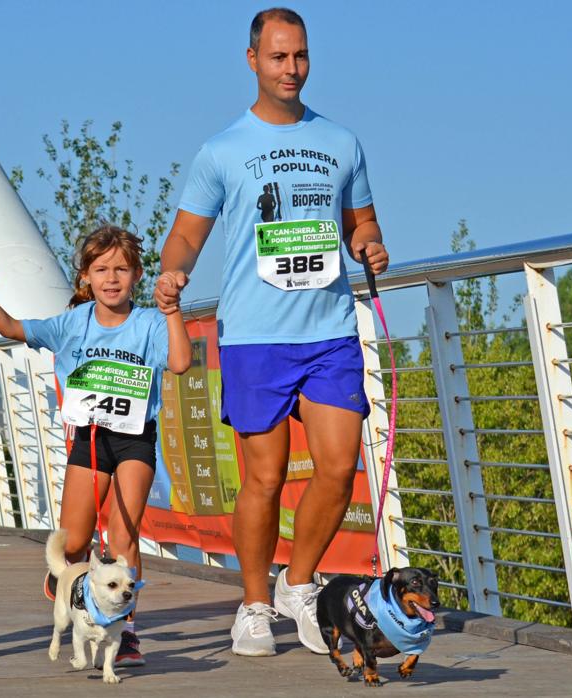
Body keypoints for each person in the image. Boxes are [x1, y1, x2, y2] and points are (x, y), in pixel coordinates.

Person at [153, 8, 390, 657]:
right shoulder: (222, 149)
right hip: (256, 336)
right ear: (252, 60)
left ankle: (300, 581)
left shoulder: (341, 142)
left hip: (329, 330)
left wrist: (368, 244)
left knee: (339, 467)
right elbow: (186, 234)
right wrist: (172, 272)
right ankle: (254, 604)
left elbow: (359, 223)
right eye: (279, 57)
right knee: (264, 476)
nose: (291, 69)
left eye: (300, 57)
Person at [0, 225, 192, 667]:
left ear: (138, 274)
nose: (112, 278)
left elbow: (182, 363)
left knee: (126, 537)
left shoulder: (148, 323)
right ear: (85, 276)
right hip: (88, 441)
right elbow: (13, 327)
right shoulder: (73, 323)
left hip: (133, 440)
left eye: (122, 269)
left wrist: (172, 311)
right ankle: (65, 580)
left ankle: (126, 631)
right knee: (72, 543)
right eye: (102, 269)